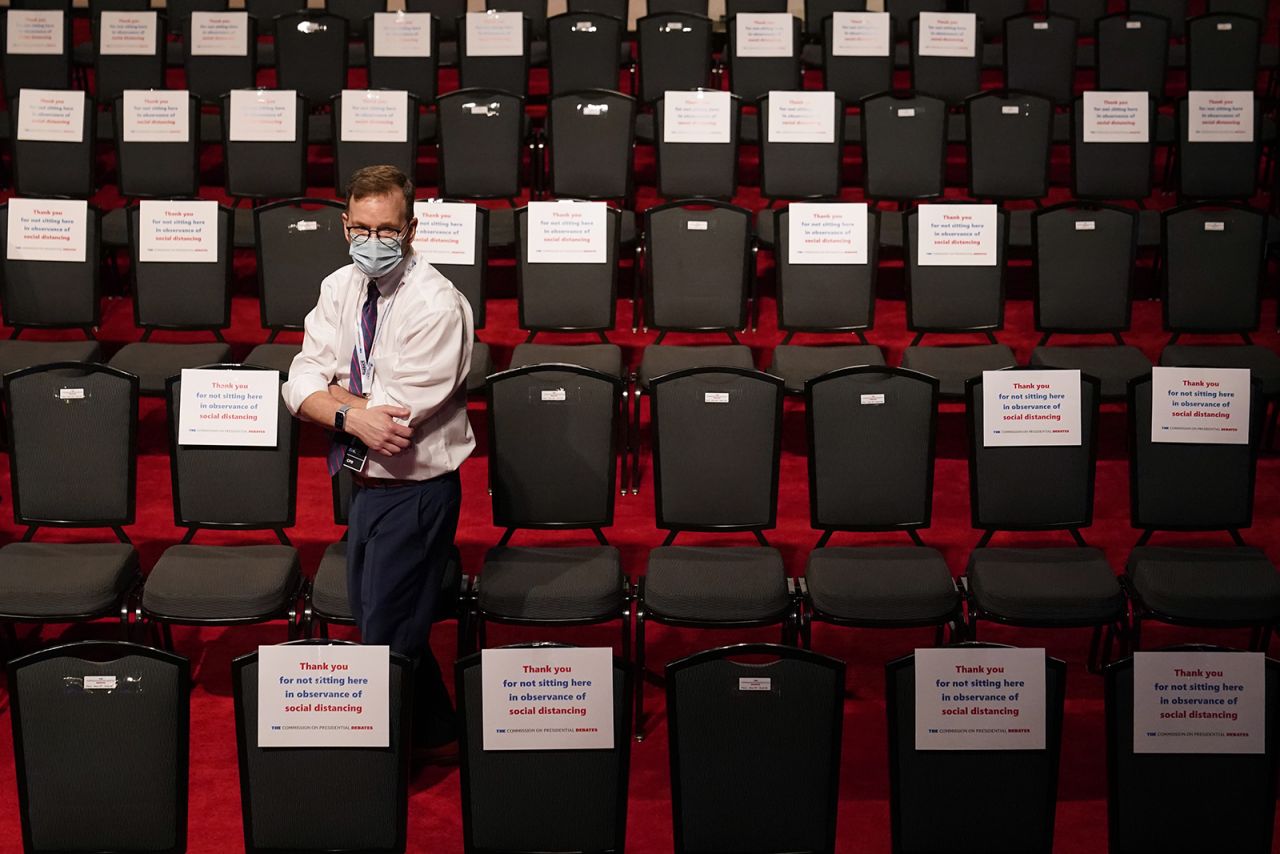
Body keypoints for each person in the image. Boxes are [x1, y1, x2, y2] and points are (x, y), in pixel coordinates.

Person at [282, 165, 474, 756]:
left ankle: (386, 765)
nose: (373, 241)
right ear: (345, 225)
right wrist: (345, 410)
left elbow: (391, 420)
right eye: (361, 228)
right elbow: (299, 381)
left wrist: (333, 398)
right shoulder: (339, 287)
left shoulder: (438, 304)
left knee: (387, 636)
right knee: (378, 619)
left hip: (417, 492)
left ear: (410, 228)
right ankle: (437, 733)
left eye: (387, 230)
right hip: (364, 484)